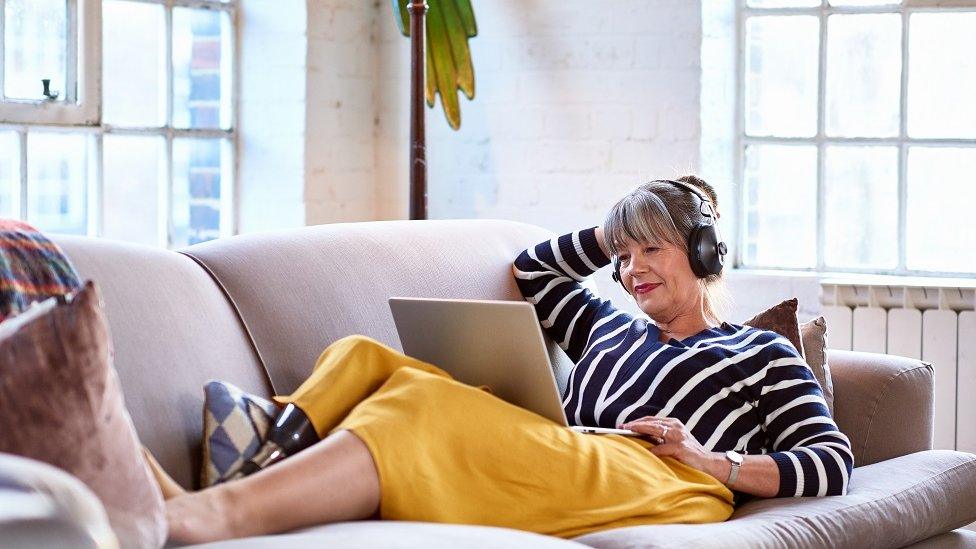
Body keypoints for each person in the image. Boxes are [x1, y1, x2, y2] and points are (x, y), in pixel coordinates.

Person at [162, 176, 853, 545]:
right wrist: (609, 228)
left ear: (701, 255)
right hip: (574, 451)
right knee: (367, 357)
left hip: (667, 478)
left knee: (419, 405)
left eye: (652, 249)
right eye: (624, 255)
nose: (632, 270)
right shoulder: (607, 330)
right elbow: (533, 271)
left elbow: (832, 461)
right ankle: (268, 444)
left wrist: (710, 461)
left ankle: (206, 514)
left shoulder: (756, 351)